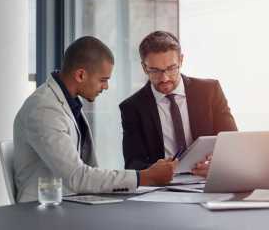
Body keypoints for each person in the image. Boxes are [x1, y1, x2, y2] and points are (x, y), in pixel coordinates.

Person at [13, 36, 177, 202]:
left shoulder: (70, 102)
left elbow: (87, 171)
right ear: (81, 75)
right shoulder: (44, 110)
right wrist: (144, 177)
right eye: (103, 80)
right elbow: (77, 177)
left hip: (70, 203)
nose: (105, 87)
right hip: (43, 212)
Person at [120, 31, 237, 177]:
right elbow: (133, 164)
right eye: (155, 71)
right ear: (144, 67)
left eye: (171, 68)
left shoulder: (210, 91)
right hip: (163, 188)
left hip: (208, 181)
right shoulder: (132, 107)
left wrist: (217, 165)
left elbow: (233, 143)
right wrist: (156, 172)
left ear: (181, 61)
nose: (164, 78)